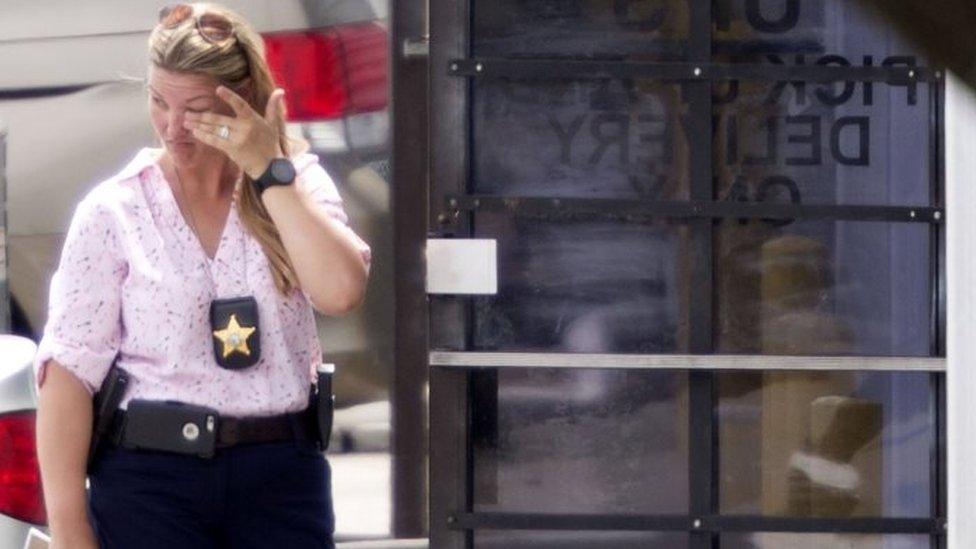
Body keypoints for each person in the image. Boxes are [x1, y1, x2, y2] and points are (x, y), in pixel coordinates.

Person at [33, 3, 371, 548]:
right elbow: (69, 372)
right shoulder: (116, 208)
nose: (172, 127)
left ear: (242, 103)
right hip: (151, 480)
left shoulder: (294, 183)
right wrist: (71, 530)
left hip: (280, 477)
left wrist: (268, 169)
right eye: (158, 101)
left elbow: (341, 291)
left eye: (194, 109)